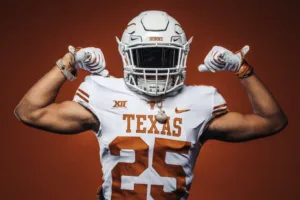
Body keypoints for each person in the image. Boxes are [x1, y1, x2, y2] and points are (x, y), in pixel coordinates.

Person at [14, 10, 288, 200]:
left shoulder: (200, 102)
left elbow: (272, 121)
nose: (155, 66)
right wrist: (69, 62)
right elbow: (29, 111)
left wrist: (241, 68)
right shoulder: (104, 92)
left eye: (164, 56)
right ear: (126, 54)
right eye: (146, 56)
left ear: (181, 55)